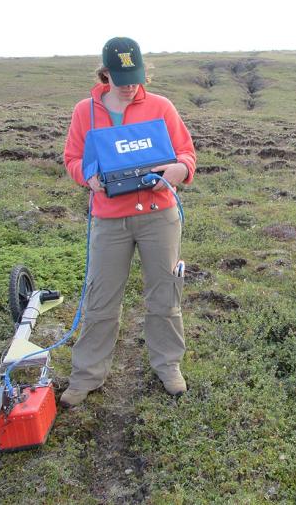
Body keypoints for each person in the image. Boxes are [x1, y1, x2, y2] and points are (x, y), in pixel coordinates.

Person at [61, 37, 196, 406]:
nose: (128, 84)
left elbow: (187, 154)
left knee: (165, 294)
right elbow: (73, 158)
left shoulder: (160, 107)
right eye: (120, 76)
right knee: (100, 301)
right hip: (109, 220)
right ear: (104, 72)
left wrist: (178, 169)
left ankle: (168, 365)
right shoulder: (84, 111)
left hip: (159, 217)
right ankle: (87, 375)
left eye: (135, 75)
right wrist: (85, 176)